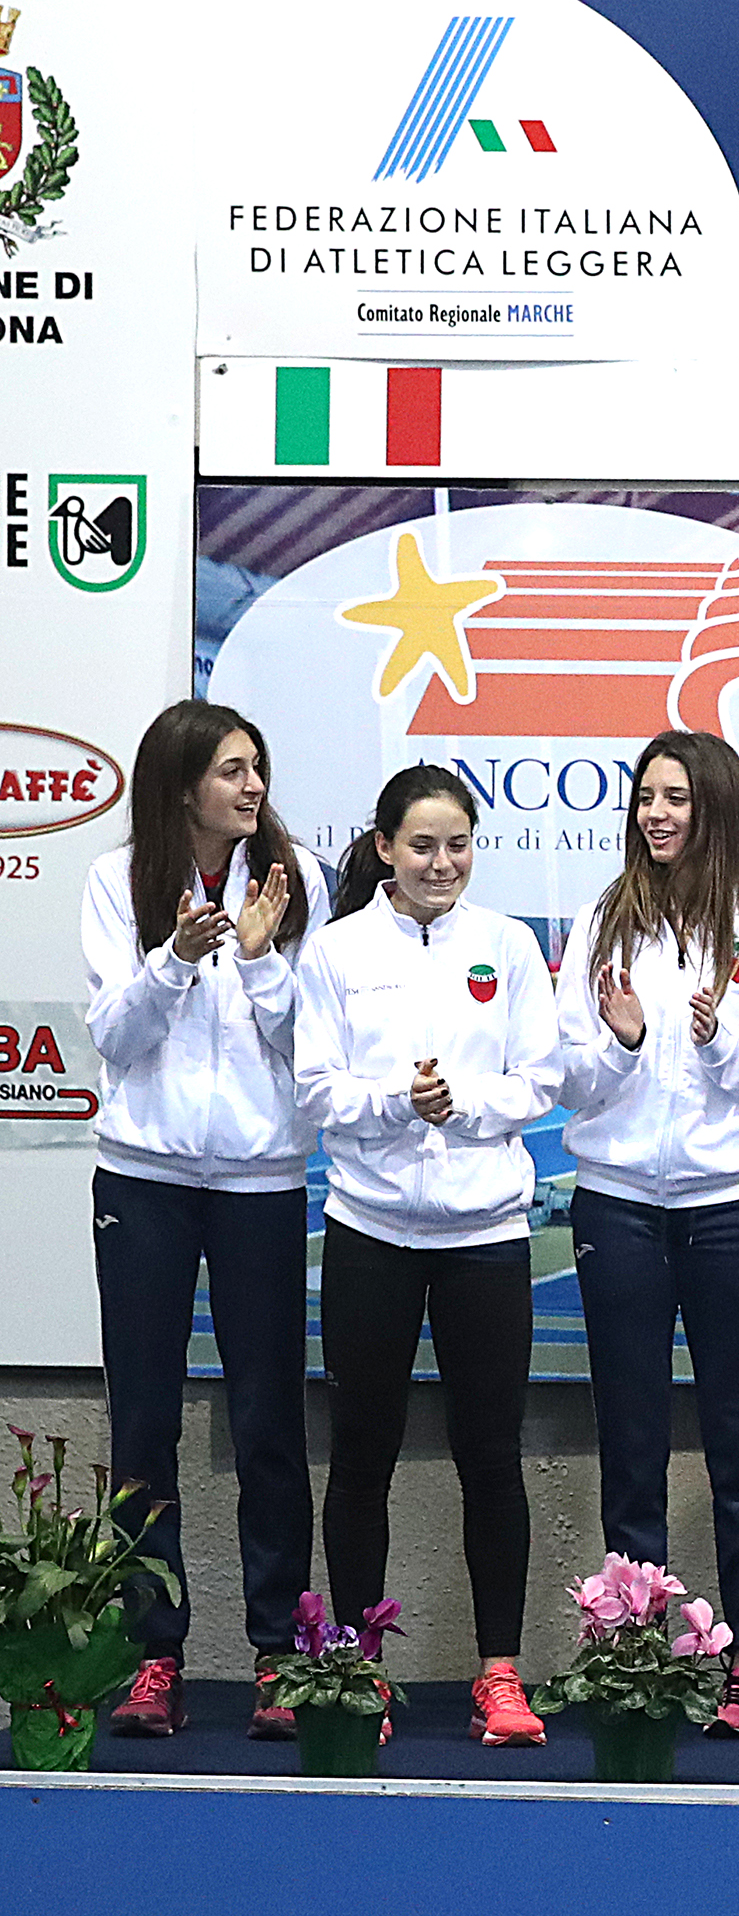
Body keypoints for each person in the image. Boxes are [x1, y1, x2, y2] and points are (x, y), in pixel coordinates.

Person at [557, 732, 739, 1740]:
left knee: (738, 1440)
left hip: (732, 1208)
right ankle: (634, 1651)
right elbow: (567, 1074)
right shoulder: (605, 919)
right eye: (645, 797)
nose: (656, 814)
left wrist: (726, 1044)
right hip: (618, 1204)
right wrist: (624, 1042)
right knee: (630, 1440)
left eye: (675, 797)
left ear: (714, 806)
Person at [294, 765, 562, 1747]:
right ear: (384, 848)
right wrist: (398, 1103)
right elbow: (316, 1089)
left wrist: (466, 1104)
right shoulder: (336, 950)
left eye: (457, 845)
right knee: (360, 1457)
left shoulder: (508, 944)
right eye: (421, 846)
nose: (441, 863)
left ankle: (500, 1674)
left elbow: (542, 1077)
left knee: (491, 1458)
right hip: (371, 1233)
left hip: (484, 1237)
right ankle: (357, 1670)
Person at [84, 701, 326, 1741]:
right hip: (143, 1178)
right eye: (232, 769)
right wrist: (175, 957)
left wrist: (263, 957)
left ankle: (278, 1652)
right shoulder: (119, 880)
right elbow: (114, 1036)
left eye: (257, 766)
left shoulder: (295, 880)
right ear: (183, 785)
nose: (253, 785)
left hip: (261, 1182)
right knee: (144, 1420)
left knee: (269, 1420)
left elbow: (307, 1043)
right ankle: (153, 1656)